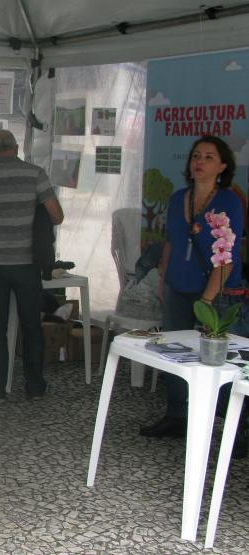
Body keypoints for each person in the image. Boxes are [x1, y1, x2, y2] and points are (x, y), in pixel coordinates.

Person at [140, 136, 244, 445]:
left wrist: (207, 301)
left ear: (222, 166)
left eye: (209, 157)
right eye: (196, 155)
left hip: (216, 293)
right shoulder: (178, 198)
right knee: (175, 353)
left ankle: (232, 429)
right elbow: (171, 241)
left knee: (220, 362)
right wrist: (163, 279)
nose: (199, 161)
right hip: (178, 287)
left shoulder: (228, 201)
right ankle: (177, 415)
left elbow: (227, 256)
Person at [0, 130, 63, 400]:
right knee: (31, 324)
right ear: (16, 148)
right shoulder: (35, 173)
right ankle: (34, 385)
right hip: (26, 261)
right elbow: (57, 215)